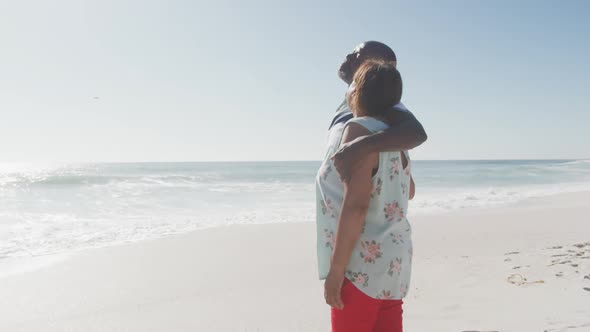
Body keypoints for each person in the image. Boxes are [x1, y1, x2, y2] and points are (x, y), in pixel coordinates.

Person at [316, 60, 416, 331]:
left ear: (358, 92)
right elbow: (410, 190)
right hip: (395, 260)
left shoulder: (358, 129)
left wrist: (336, 273)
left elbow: (357, 206)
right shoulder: (397, 138)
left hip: (362, 263)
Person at [330, 41, 427, 183]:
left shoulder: (387, 104)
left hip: (351, 202)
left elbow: (417, 133)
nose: (349, 56)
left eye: (358, 54)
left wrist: (359, 147)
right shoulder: (351, 100)